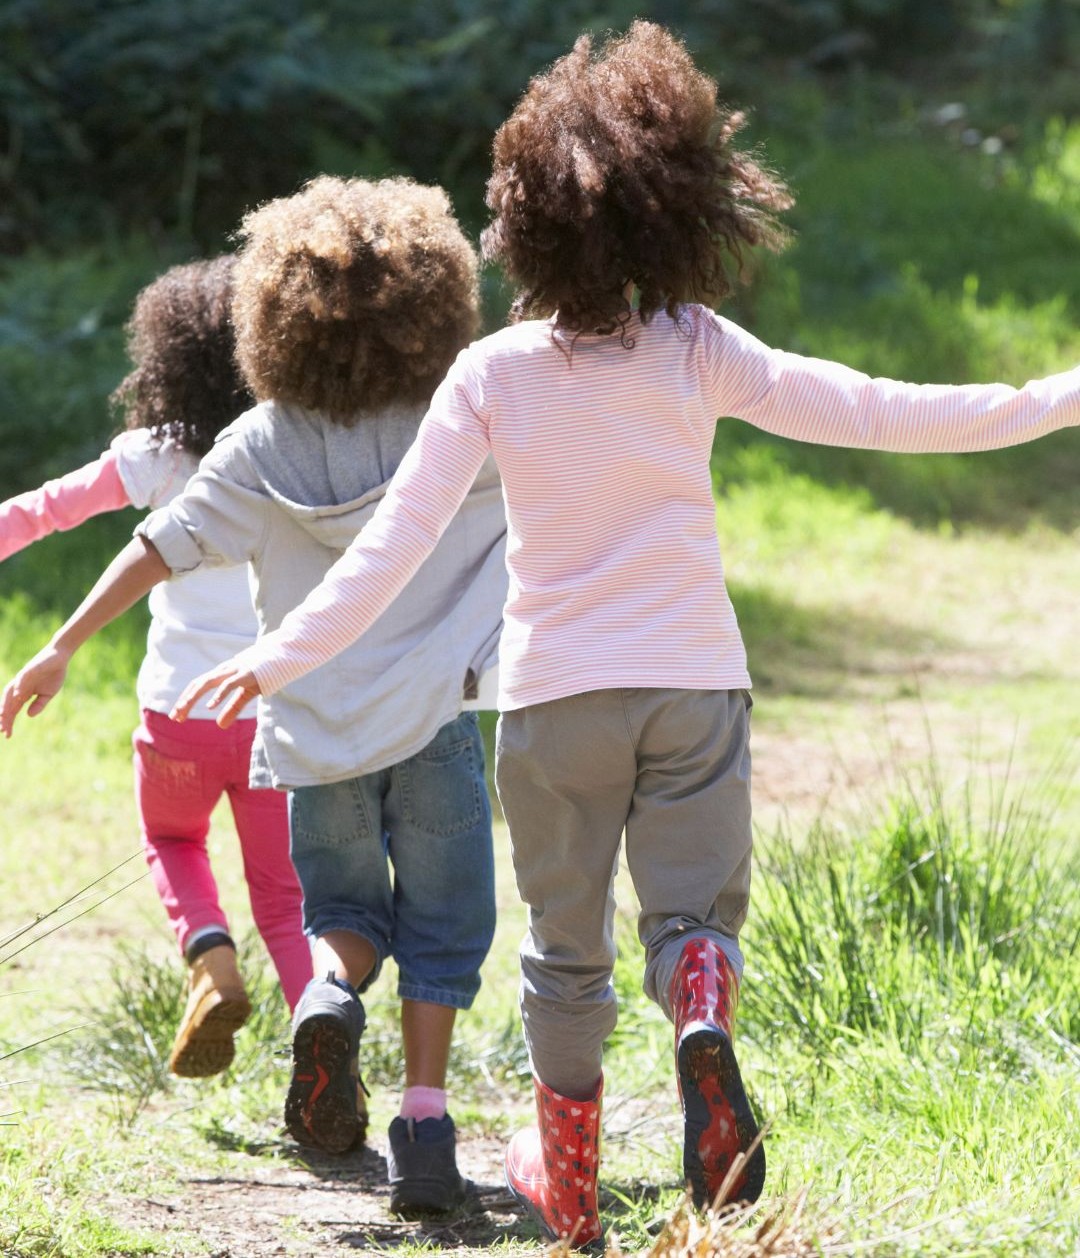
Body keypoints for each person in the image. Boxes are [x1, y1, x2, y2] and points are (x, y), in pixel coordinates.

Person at [23, 21, 1080, 1244]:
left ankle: (566, 1179)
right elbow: (890, 411)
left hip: (553, 705)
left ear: (519, 221)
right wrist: (1051, 397)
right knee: (692, 916)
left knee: (561, 957)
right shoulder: (699, 351)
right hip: (694, 686)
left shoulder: (492, 374)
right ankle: (699, 998)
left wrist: (281, 654)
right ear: (682, 207)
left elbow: (388, 548)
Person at [1, 176, 506, 1216]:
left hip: (308, 734)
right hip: (432, 726)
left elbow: (154, 546)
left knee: (340, 911)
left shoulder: (260, 441)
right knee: (445, 928)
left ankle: (326, 997)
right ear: (433, 302)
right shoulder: (453, 422)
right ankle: (422, 1126)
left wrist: (56, 646)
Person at [0, 257, 310, 1078]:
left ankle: (211, 960)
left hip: (179, 715)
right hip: (274, 715)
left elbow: (42, 512)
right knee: (285, 899)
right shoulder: (292, 451)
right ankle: (327, 1049)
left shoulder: (158, 457)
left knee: (172, 837)